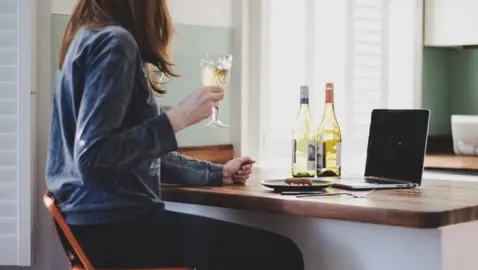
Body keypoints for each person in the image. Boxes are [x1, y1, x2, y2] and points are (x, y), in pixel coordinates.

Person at [45, 0, 304, 269]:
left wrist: (218, 173)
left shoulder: (86, 37)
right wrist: (176, 119)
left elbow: (130, 155)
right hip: (118, 227)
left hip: (93, 228)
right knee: (281, 254)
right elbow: (94, 158)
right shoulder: (115, 42)